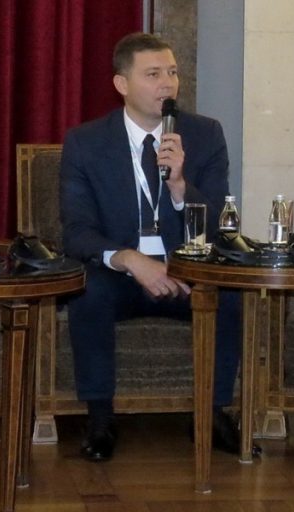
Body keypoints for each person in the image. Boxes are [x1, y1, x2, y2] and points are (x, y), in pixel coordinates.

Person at [60, 32, 244, 462]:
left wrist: (180, 185)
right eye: (154, 74)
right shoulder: (85, 142)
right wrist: (130, 260)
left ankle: (212, 413)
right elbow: (77, 231)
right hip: (121, 274)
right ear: (122, 84)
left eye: (172, 73)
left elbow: (218, 226)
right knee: (88, 290)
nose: (168, 84)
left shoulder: (204, 134)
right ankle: (100, 418)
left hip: (185, 270)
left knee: (230, 293)